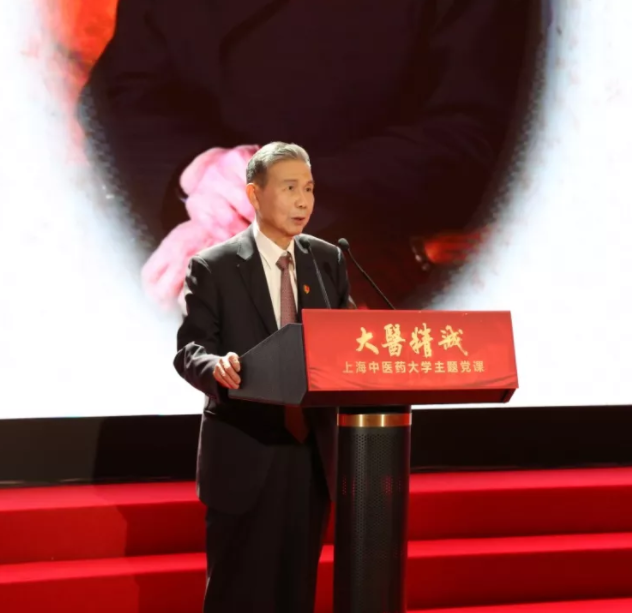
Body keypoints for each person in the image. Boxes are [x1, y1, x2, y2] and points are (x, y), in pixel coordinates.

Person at [78, 0, 532, 309]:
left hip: (384, 269)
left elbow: (474, 137)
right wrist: (201, 170)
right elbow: (120, 94)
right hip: (176, 250)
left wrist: (276, 199)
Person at [174, 143, 349, 612]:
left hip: (310, 454)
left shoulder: (328, 261)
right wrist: (217, 367)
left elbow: (348, 341)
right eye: (290, 188)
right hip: (244, 451)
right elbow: (190, 351)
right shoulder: (213, 265)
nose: (303, 201)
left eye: (309, 189)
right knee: (237, 594)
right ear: (254, 194)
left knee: (296, 591)